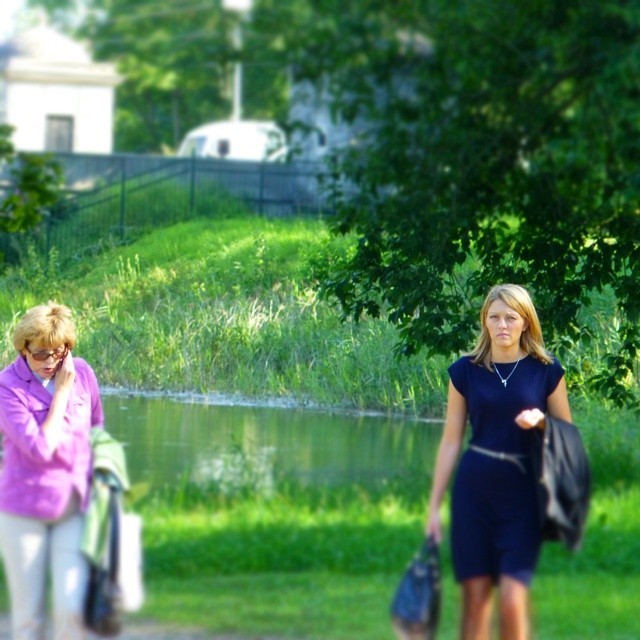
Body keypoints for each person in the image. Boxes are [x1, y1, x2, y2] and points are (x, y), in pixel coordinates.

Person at [425, 284, 572, 640]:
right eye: (494, 317)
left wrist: (540, 423)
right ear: (485, 322)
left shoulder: (546, 371)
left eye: (510, 317)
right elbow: (450, 442)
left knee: (511, 598)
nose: (502, 325)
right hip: (474, 489)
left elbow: (567, 436)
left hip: (523, 492)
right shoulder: (465, 372)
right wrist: (433, 507)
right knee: (475, 599)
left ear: (526, 322)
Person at [0, 302, 104, 640]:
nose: (49, 362)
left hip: (72, 506)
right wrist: (60, 393)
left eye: (58, 353)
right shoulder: (6, 387)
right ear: (23, 349)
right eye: (40, 354)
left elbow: (96, 428)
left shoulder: (84, 373)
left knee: (72, 611)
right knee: (29, 618)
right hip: (23, 510)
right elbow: (41, 450)